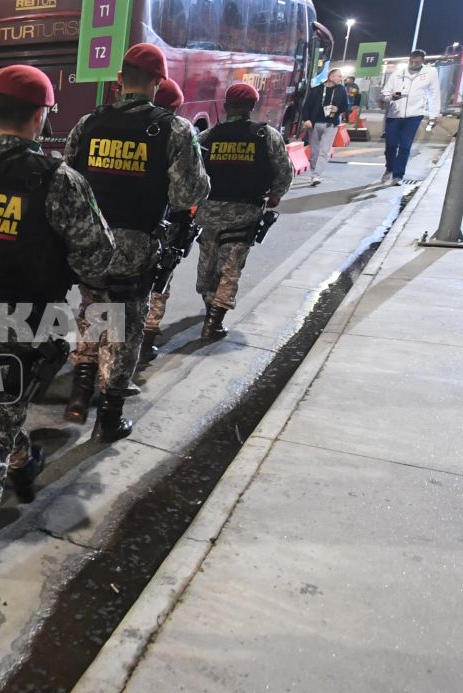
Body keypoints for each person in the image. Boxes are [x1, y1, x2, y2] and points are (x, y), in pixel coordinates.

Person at [0, 65, 115, 575]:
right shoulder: (59, 180)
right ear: (42, 115)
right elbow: (98, 260)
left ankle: (22, 458)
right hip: (22, 332)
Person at [60, 44, 209, 440]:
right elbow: (187, 194)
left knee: (92, 309)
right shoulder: (175, 130)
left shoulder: (89, 123)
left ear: (119, 78)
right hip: (136, 245)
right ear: (158, 82)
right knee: (124, 326)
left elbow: (66, 183)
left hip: (90, 245)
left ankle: (79, 392)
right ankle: (109, 417)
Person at [195, 83, 292, 338]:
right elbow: (284, 171)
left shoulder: (207, 138)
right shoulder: (266, 136)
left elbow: (194, 174)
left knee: (209, 262)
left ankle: (209, 305)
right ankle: (213, 322)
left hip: (210, 213)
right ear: (252, 107)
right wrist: (275, 194)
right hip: (245, 212)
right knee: (231, 266)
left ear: (226, 107)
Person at [140, 79, 188, 366]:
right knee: (157, 282)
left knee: (102, 298)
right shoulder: (176, 132)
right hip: (156, 227)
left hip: (108, 229)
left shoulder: (100, 122)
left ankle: (85, 377)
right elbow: (190, 192)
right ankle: (144, 342)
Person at [378, 49, 442, 185]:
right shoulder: (397, 73)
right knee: (391, 145)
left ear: (422, 61)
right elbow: (385, 93)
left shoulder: (430, 73)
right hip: (394, 114)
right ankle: (389, 168)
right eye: (411, 62)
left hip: (414, 115)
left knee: (405, 146)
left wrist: (434, 115)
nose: (413, 64)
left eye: (416, 62)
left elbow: (434, 94)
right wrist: (391, 97)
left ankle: (398, 175)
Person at [301, 69, 350, 187]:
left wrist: (338, 109)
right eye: (338, 76)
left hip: (331, 124)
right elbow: (306, 106)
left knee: (324, 152)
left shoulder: (341, 90)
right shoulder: (317, 89)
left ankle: (316, 175)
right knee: (314, 152)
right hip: (315, 123)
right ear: (331, 77)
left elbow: (345, 106)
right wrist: (306, 119)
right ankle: (313, 172)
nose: (341, 78)